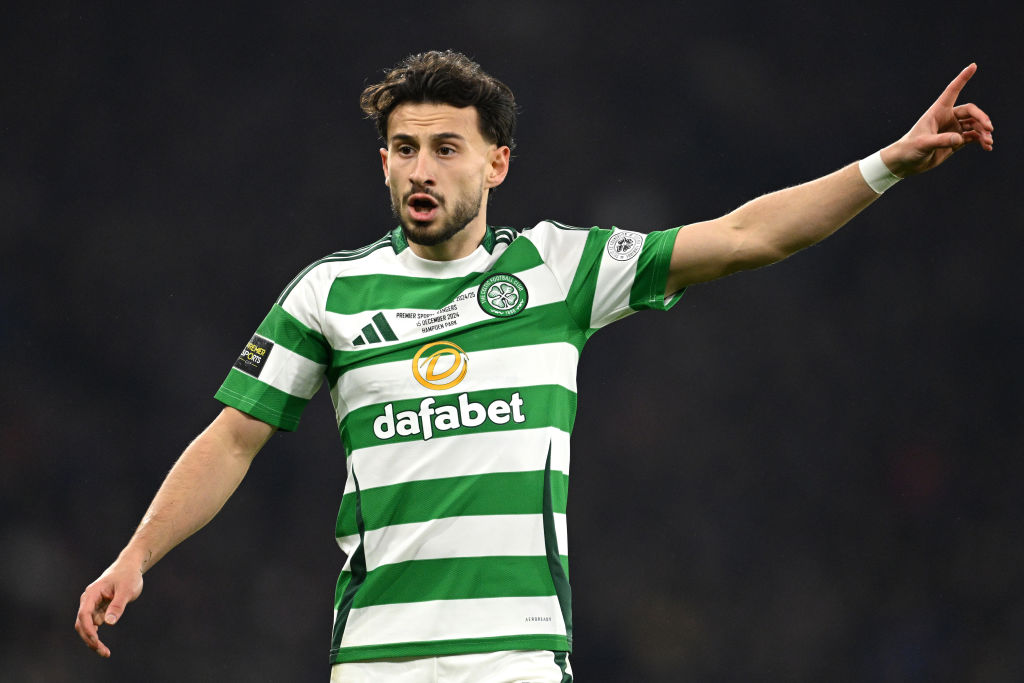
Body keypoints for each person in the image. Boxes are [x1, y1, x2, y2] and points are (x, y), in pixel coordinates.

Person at [76, 50, 993, 682]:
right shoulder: (330, 292)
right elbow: (233, 438)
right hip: (377, 654)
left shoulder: (560, 269)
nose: (418, 169)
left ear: (498, 162)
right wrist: (138, 554)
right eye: (402, 149)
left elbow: (747, 235)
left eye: (444, 147)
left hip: (517, 653)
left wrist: (885, 166)